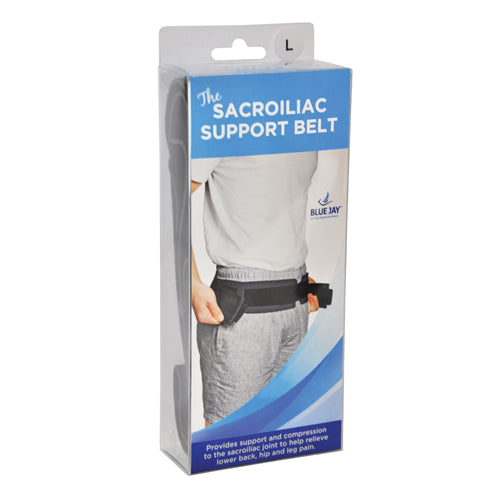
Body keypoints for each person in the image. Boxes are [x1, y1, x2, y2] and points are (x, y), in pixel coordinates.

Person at [191, 151, 323, 427]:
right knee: (230, 437)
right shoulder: (224, 130)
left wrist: (295, 275)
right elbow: (168, 201)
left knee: (285, 431)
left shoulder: (307, 131)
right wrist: (191, 282)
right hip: (242, 311)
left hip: (295, 300)